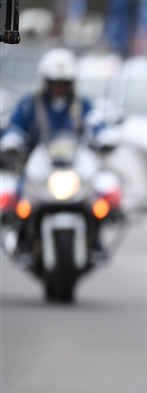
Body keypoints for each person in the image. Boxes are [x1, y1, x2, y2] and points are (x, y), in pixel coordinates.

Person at [0, 48, 113, 263]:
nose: (59, 87)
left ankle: (95, 240)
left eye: (64, 82)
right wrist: (12, 140)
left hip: (74, 165)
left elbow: (97, 124)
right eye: (54, 82)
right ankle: (23, 241)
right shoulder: (30, 104)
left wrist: (105, 136)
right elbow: (16, 126)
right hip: (40, 163)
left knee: (96, 198)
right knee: (22, 198)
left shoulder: (83, 105)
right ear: (45, 82)